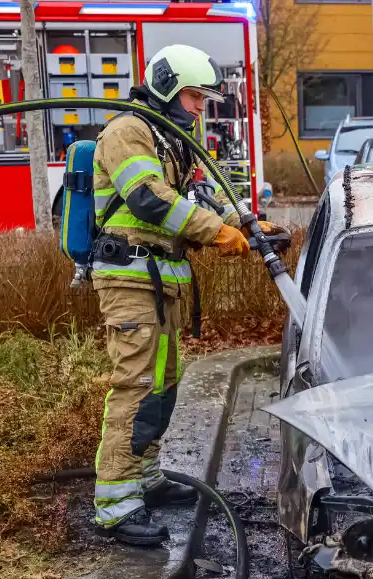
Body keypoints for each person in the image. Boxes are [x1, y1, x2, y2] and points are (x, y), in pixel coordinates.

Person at [90, 44, 284, 545]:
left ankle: (145, 477)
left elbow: (202, 194)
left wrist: (247, 223)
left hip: (160, 282)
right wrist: (216, 233)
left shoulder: (171, 141)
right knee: (135, 384)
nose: (201, 107)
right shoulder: (128, 132)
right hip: (130, 278)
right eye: (196, 97)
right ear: (168, 88)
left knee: (164, 381)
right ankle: (116, 503)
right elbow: (150, 199)